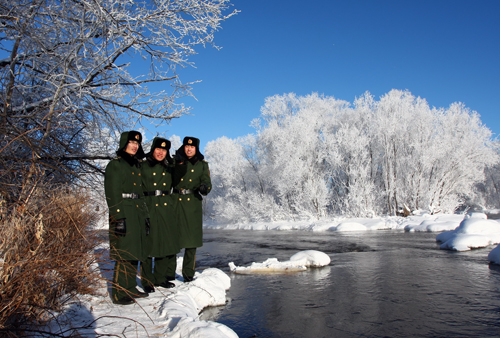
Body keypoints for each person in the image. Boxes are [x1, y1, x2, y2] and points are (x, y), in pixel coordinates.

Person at [104, 130, 150, 305]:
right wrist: (118, 218)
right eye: (131, 142)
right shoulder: (115, 165)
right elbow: (112, 194)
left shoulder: (136, 165)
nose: (134, 146)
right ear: (124, 144)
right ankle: (119, 293)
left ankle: (130, 288)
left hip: (137, 212)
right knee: (123, 253)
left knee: (134, 252)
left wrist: (145, 216)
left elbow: (141, 194)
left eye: (137, 143)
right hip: (124, 211)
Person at [140, 137, 183, 291]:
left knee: (164, 244)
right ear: (153, 149)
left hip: (166, 207)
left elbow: (180, 177)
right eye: (158, 149)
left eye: (164, 150)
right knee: (148, 245)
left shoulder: (169, 166)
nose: (160, 152)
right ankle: (146, 281)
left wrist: (179, 161)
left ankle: (160, 278)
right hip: (148, 205)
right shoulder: (142, 165)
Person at [172, 136, 212, 282]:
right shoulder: (176, 161)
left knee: (192, 241)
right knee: (173, 238)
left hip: (193, 204)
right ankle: (169, 272)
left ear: (196, 149)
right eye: (187, 146)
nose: (189, 149)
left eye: (192, 147)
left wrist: (205, 188)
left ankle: (188, 274)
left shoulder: (202, 165)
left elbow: (207, 183)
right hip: (175, 202)